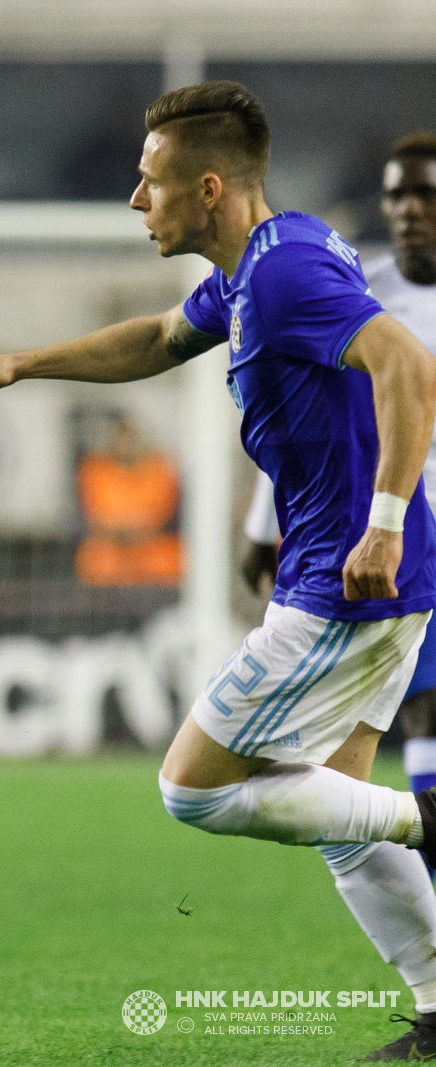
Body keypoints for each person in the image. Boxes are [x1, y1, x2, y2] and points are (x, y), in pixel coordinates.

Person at [0, 81, 436, 1061]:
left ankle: (429, 818)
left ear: (207, 188)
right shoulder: (262, 265)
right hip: (361, 581)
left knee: (192, 787)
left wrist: (382, 522)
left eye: (149, 181)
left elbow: (409, 365)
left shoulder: (283, 278)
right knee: (337, 814)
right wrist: (19, 364)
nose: (133, 199)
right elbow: (159, 339)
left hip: (345, 584)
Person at [242, 134, 436, 841]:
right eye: (397, 195)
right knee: (424, 711)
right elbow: (313, 411)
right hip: (397, 533)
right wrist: (265, 525)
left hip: (394, 536)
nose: (409, 210)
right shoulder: (362, 288)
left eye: (426, 195)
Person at [74, 409, 181, 586]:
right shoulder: (96, 470)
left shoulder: (159, 470)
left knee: (172, 561)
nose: (127, 443)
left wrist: (136, 529)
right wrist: (121, 530)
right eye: (121, 436)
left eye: (131, 436)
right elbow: (96, 517)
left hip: (150, 551)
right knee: (92, 561)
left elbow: (160, 516)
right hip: (111, 552)